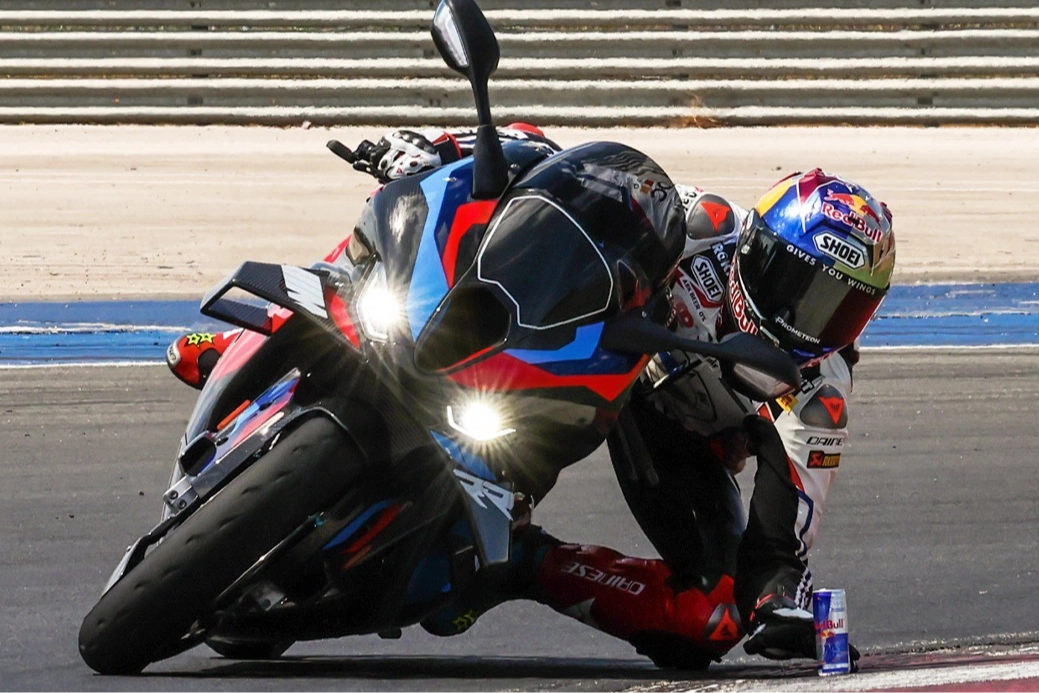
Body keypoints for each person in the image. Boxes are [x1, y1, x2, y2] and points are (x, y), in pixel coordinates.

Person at [166, 126, 895, 668]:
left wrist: (776, 605)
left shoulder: (817, 394)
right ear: (757, 247)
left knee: (706, 622)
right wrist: (443, 149)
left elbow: (781, 537)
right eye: (798, 284)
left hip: (671, 438)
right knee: (413, 237)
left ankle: (522, 562)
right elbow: (563, 171)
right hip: (588, 346)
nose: (808, 316)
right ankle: (281, 336)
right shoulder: (702, 225)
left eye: (840, 307)